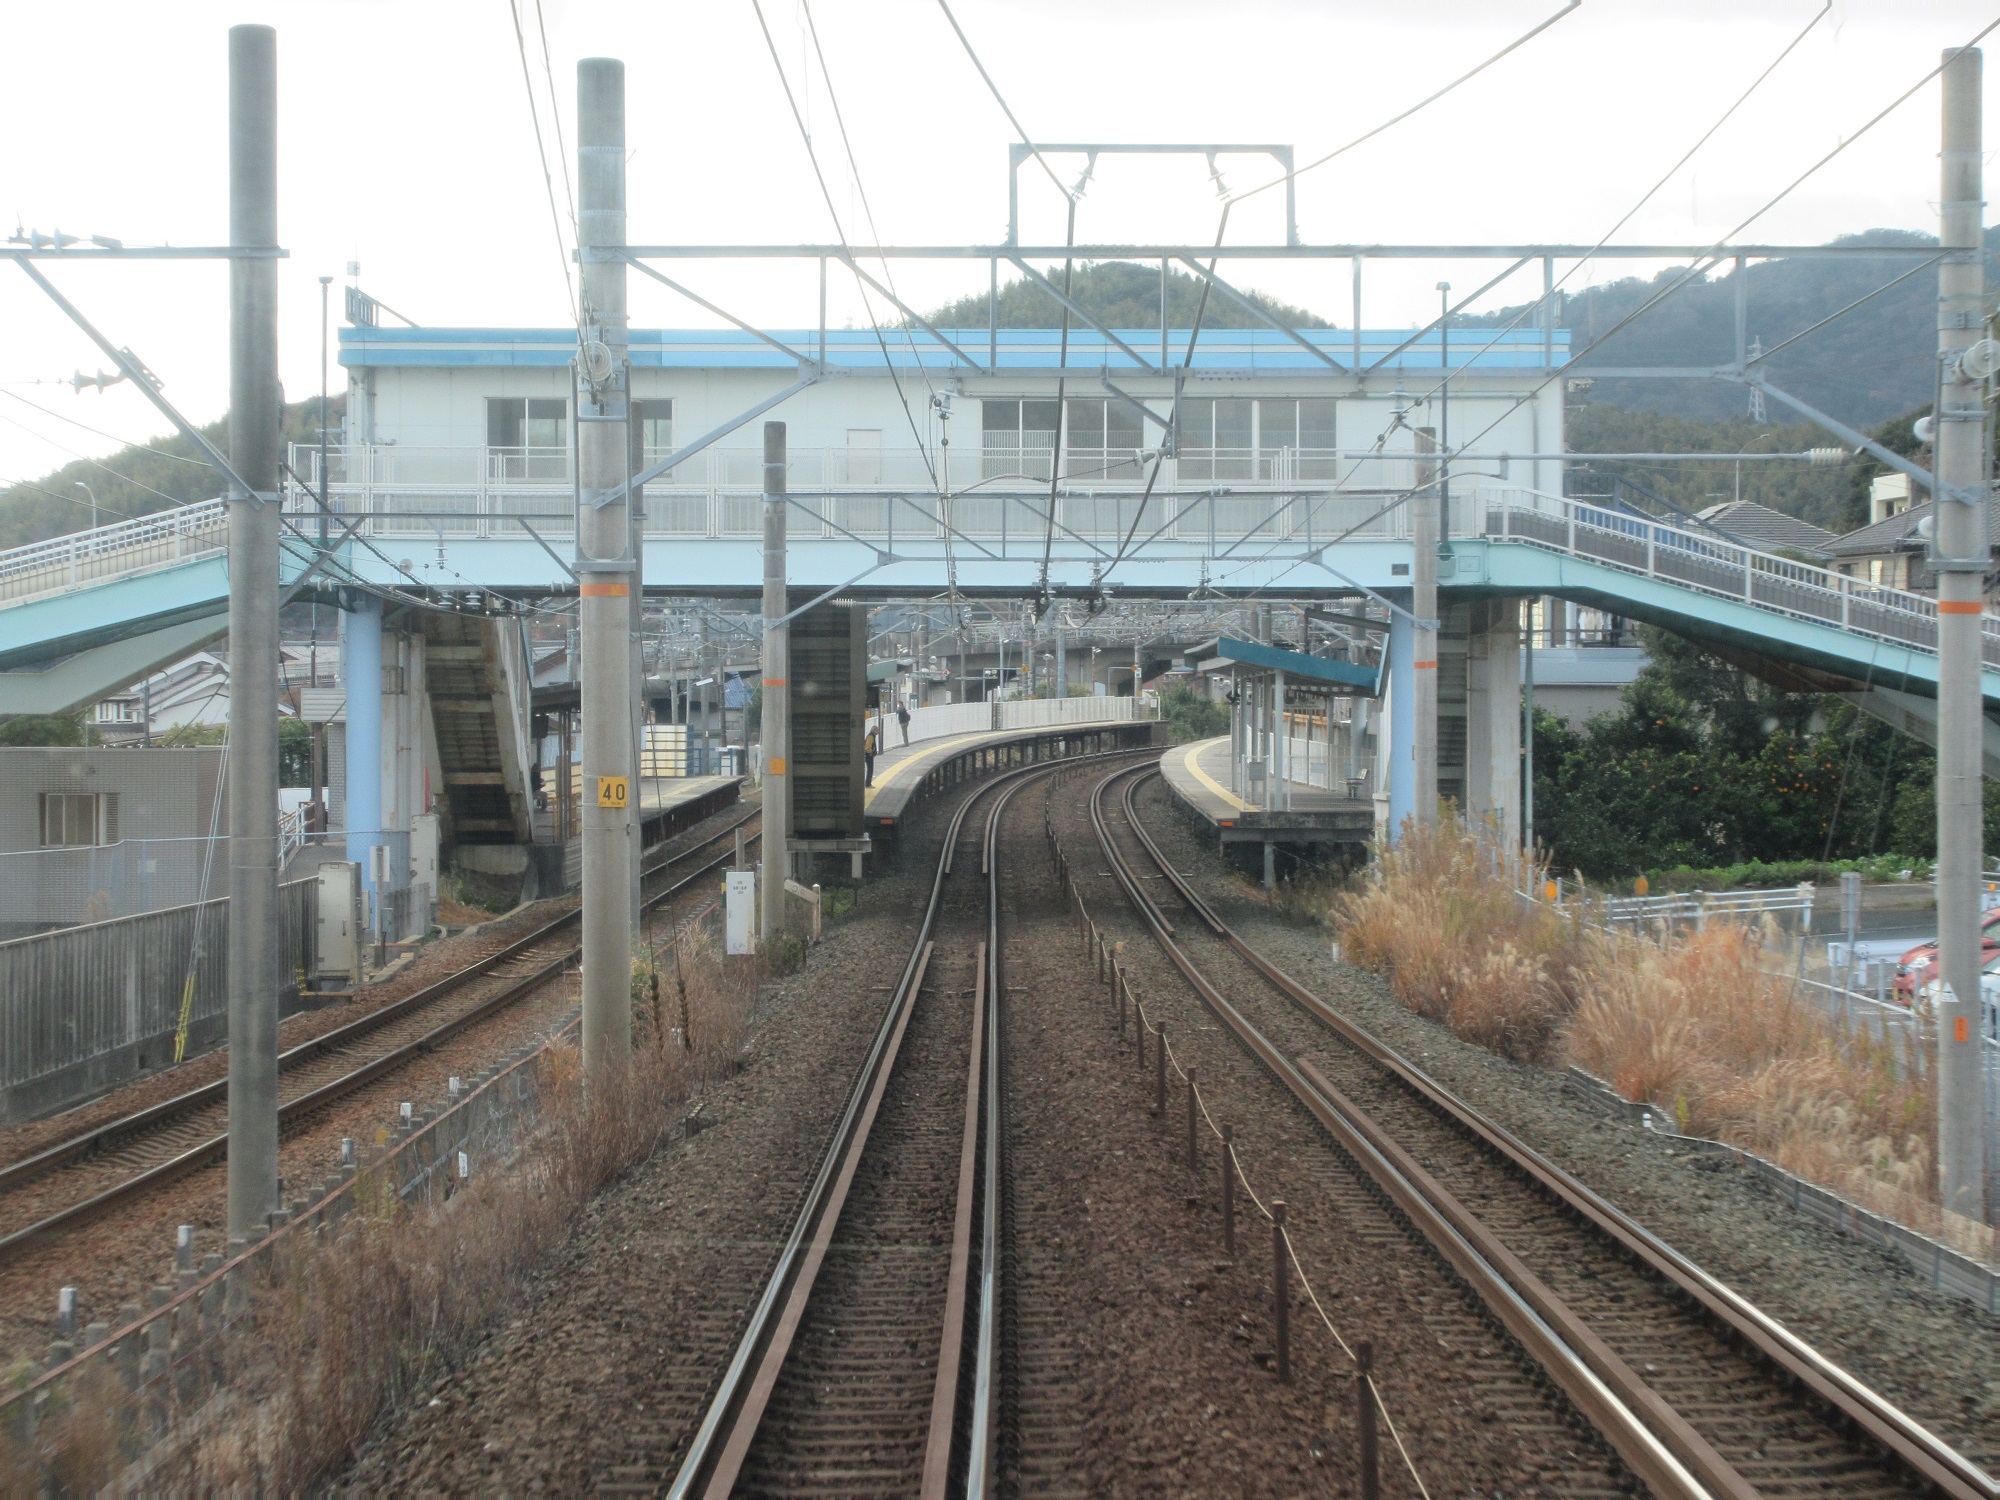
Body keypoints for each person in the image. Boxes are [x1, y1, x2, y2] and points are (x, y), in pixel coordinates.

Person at [864, 720, 879, 786]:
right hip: (868, 755)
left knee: (870, 769)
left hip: (869, 755)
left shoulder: (872, 736)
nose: (878, 732)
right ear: (874, 730)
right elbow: (867, 746)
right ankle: (868, 784)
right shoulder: (871, 736)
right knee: (870, 769)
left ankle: (868, 783)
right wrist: (870, 752)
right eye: (877, 730)